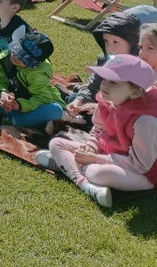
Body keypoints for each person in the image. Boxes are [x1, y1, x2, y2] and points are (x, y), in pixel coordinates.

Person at [37, 55, 157, 208]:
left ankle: (68, 166)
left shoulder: (146, 120)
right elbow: (98, 129)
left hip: (145, 173)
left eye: (113, 82)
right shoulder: (107, 100)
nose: (104, 85)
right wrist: (91, 146)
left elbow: (140, 164)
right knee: (56, 143)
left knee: (96, 172)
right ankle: (86, 186)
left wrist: (95, 159)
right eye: (104, 78)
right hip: (109, 155)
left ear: (134, 93)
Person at [0, 32, 65, 129]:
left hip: (35, 105)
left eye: (25, 59)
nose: (17, 58)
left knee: (55, 111)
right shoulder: (4, 59)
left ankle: (11, 121)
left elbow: (42, 98)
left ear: (36, 64)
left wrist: (18, 105)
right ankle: (32, 121)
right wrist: (2, 94)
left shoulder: (38, 73)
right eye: (18, 51)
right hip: (14, 100)